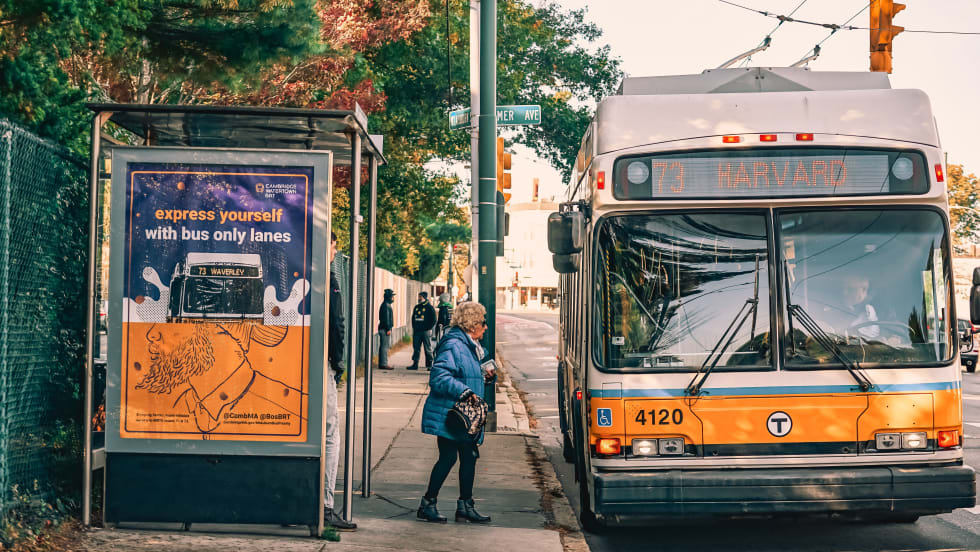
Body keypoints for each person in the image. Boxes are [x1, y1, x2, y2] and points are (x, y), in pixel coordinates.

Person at [417, 301, 495, 524]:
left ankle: (462, 506)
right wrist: (465, 390)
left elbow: (474, 372)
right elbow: (438, 377)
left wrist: (488, 377)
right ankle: (432, 503)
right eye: (482, 323)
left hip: (464, 416)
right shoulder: (454, 345)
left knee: (467, 457)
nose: (485, 328)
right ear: (472, 325)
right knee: (451, 457)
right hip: (452, 414)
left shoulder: (473, 346)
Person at [324, 232, 356, 531]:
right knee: (331, 433)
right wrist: (338, 362)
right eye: (334, 246)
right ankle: (325, 505)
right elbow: (337, 324)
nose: (336, 252)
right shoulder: (330, 280)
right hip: (323, 365)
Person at [842, 274, 879, 340]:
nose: (844, 292)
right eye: (843, 288)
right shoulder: (830, 307)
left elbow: (891, 331)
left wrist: (895, 338)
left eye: (850, 289)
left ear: (863, 291)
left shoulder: (879, 310)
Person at [408, 291, 436, 370]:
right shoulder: (417, 307)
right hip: (417, 331)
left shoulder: (429, 307)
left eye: (420, 297)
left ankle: (429, 364)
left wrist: (428, 327)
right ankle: (415, 363)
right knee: (416, 348)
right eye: (418, 297)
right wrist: (414, 327)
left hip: (425, 331)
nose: (419, 298)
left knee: (427, 348)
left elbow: (433, 319)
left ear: (424, 297)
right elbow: (413, 318)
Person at [378, 289, 395, 370]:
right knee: (384, 347)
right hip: (385, 329)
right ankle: (383, 364)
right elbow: (386, 319)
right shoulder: (386, 306)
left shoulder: (385, 305)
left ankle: (382, 363)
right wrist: (388, 328)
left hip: (383, 328)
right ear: (389, 297)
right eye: (392, 297)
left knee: (383, 346)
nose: (393, 298)